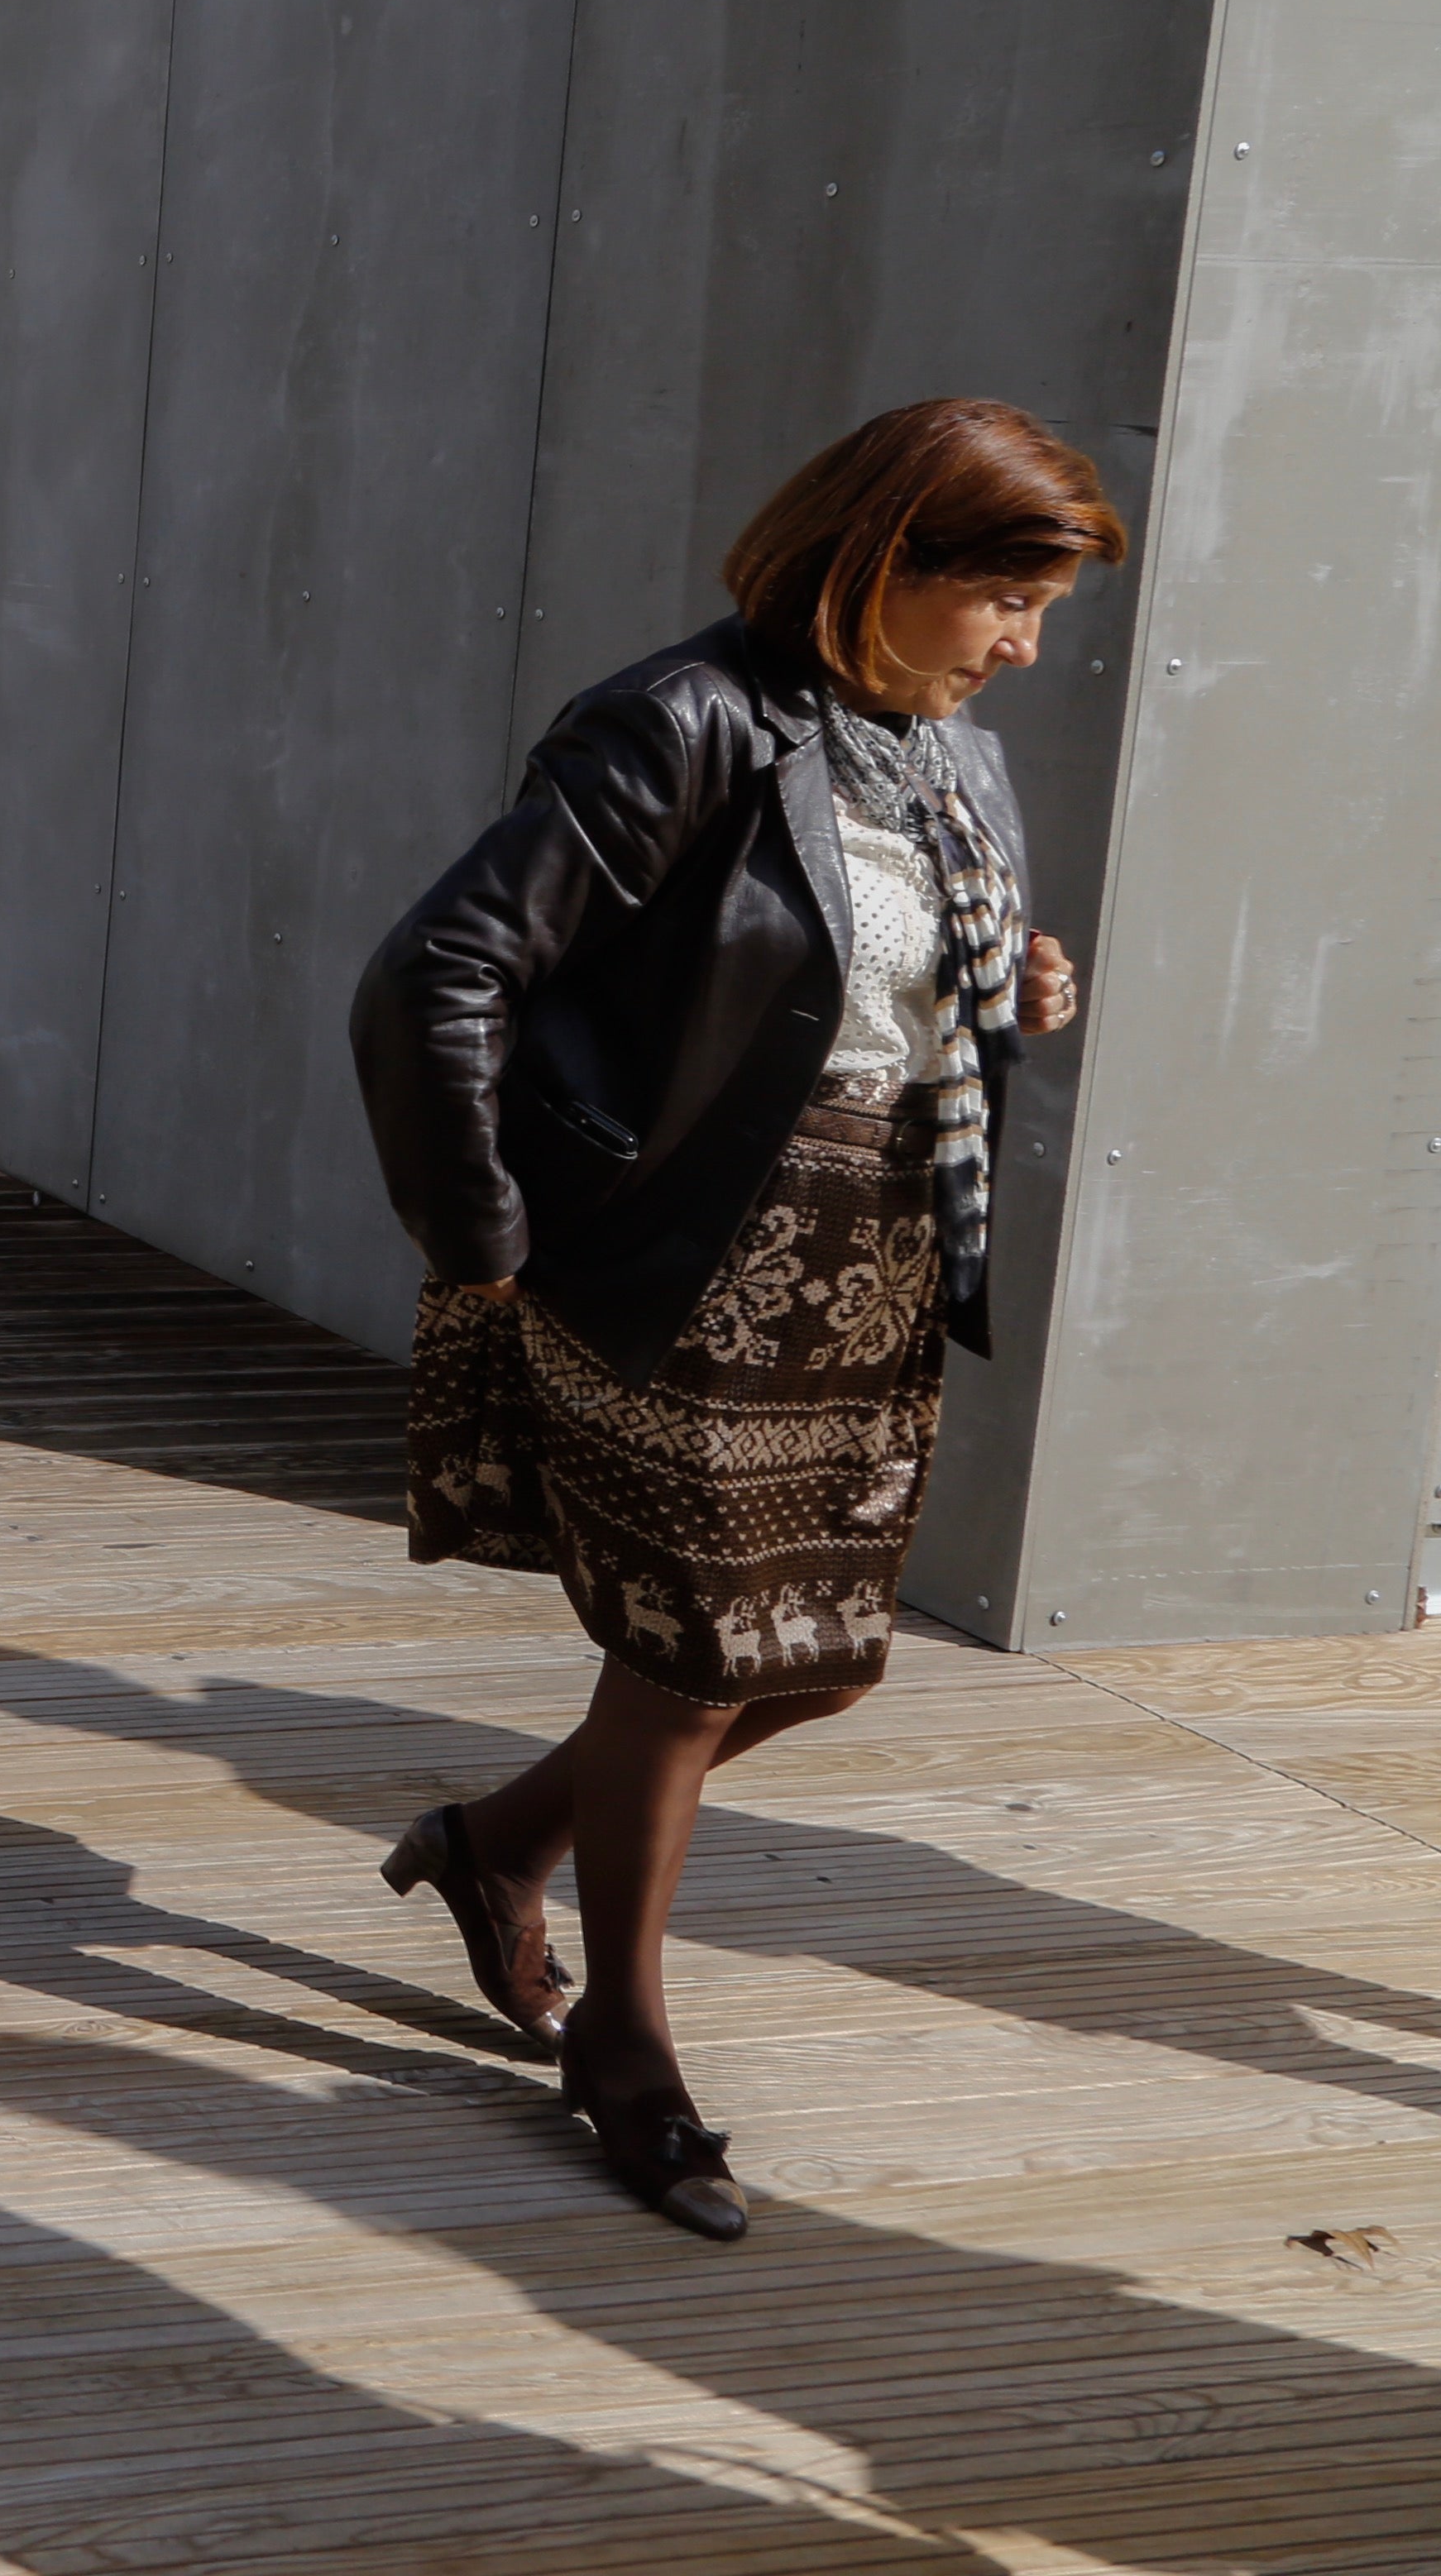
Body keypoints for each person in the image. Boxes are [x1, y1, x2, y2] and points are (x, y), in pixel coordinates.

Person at [352, 399, 1127, 2240]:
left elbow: (863, 980)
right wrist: (485, 1234)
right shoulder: (688, 723)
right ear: (893, 561)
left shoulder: (949, 749)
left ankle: (497, 1841)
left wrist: (1013, 985)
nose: (1025, 648)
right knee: (692, 1668)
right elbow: (438, 970)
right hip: (694, 1263)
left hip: (874, 1262)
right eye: (1006, 603)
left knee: (821, 1659)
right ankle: (621, 2045)